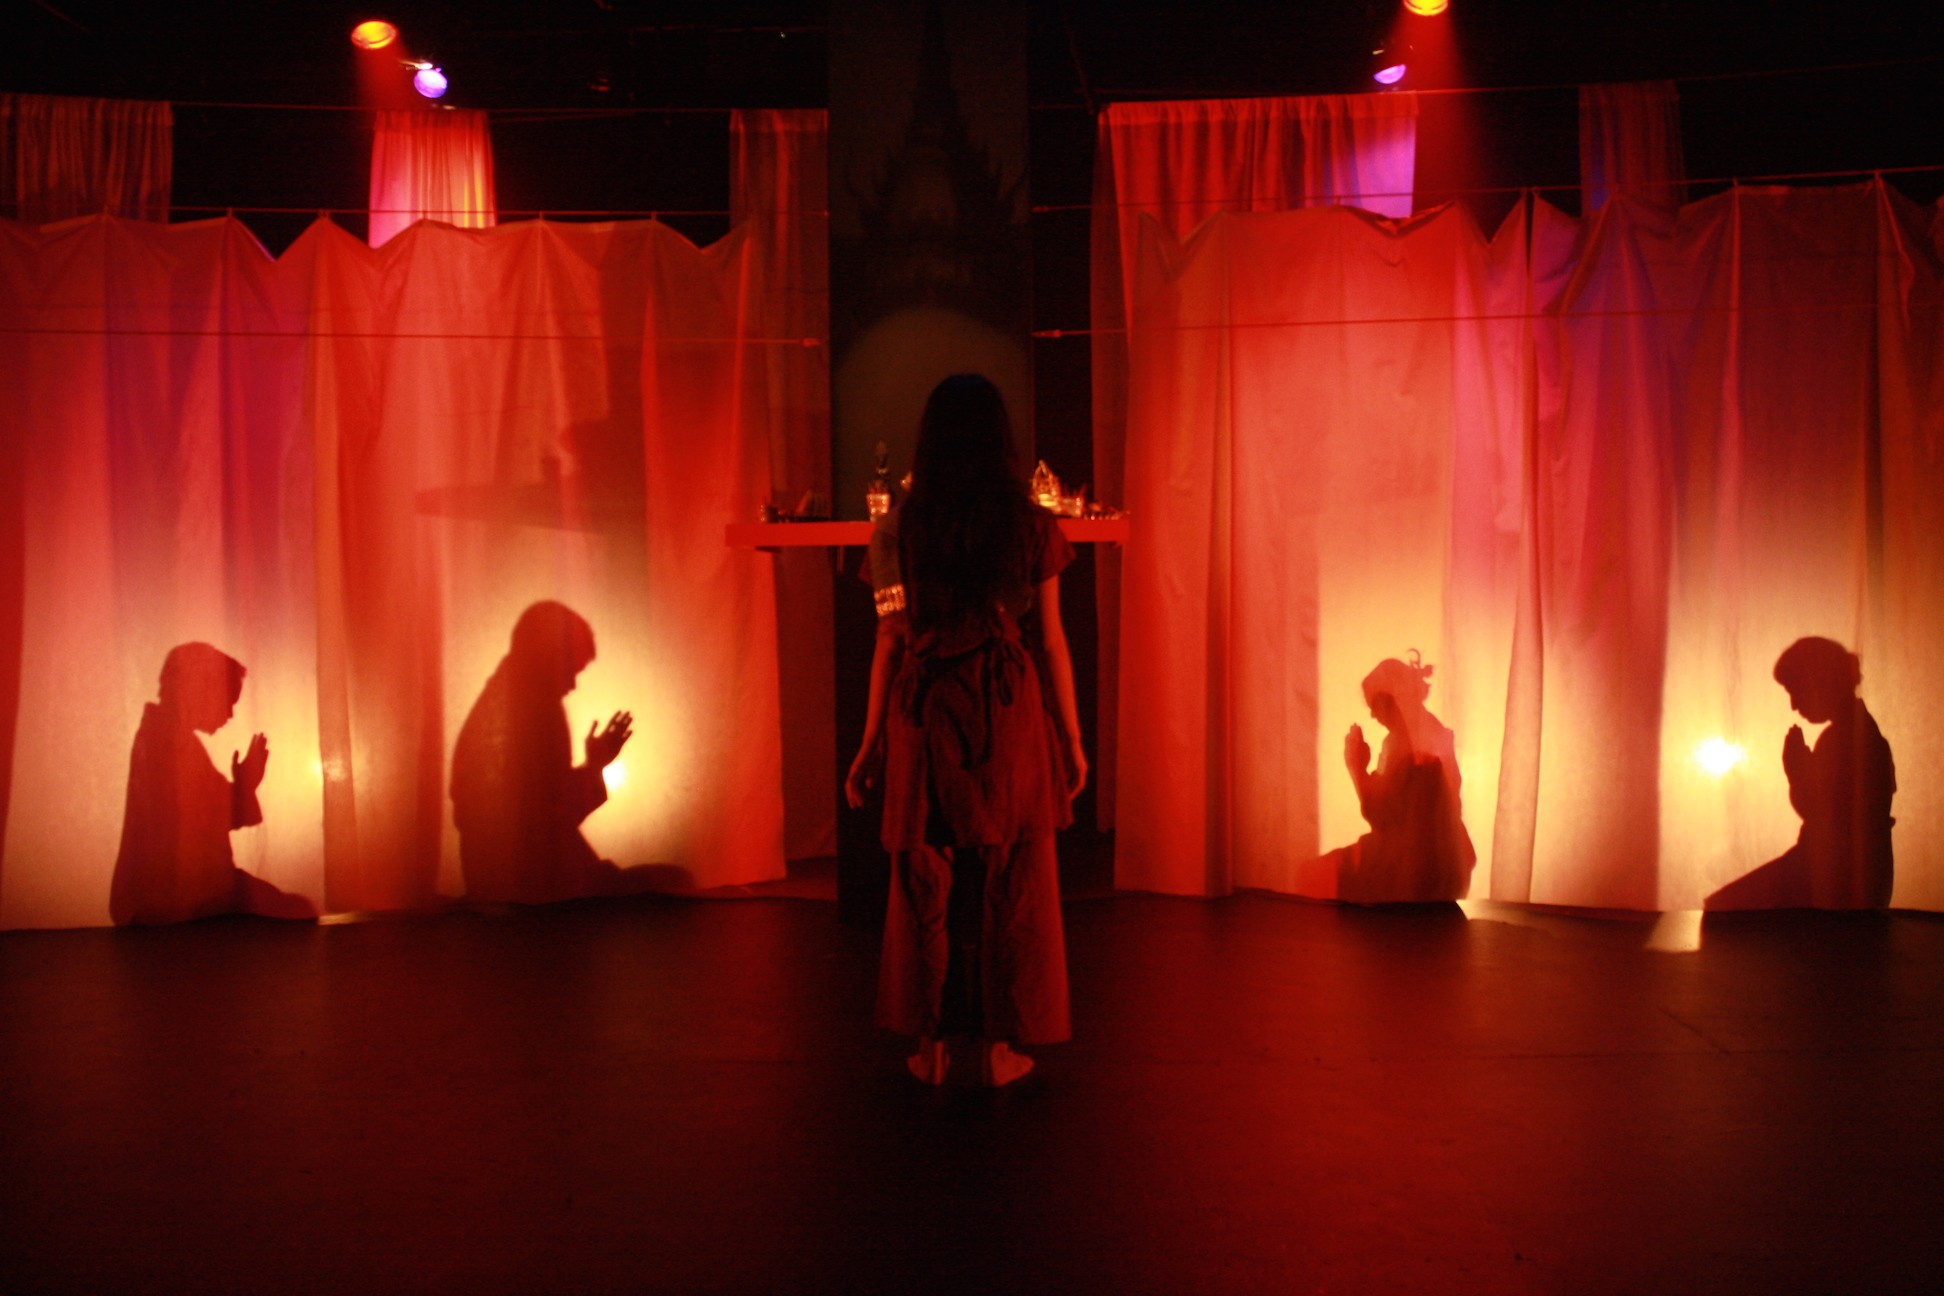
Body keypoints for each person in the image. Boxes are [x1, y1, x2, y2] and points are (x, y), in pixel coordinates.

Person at [846, 374, 1086, 1087]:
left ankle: (932, 1046)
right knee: (1019, 876)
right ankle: (1002, 1046)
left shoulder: (899, 526)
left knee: (921, 876)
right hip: (1004, 704)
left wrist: (869, 745)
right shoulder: (1031, 523)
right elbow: (1051, 639)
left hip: (925, 706)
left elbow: (889, 639)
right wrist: (1070, 738)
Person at [110, 643, 316, 925]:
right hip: (172, 897)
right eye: (227, 701)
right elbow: (198, 819)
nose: (230, 714)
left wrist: (245, 784)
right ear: (199, 689)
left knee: (295, 909)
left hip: (178, 892)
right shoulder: (165, 739)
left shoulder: (169, 736)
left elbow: (206, 812)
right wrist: (245, 785)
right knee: (296, 912)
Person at [451, 602, 636, 904]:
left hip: (525, 889)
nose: (573, 684)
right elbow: (544, 825)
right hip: (535, 896)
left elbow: (546, 810)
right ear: (547, 656)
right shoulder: (525, 715)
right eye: (571, 669)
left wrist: (594, 766)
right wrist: (593, 768)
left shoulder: (506, 706)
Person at [1706, 637, 1895, 910]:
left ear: (1819, 682)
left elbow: (1823, 817)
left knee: (1723, 909)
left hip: (1836, 877)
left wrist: (1796, 770)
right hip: (1859, 873)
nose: (1794, 705)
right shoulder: (1858, 731)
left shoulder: (1844, 738)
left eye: (1796, 691)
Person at [1322, 653, 1475, 904]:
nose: (1372, 714)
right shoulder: (1427, 732)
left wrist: (1356, 767)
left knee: (1318, 875)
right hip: (1443, 863)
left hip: (1414, 868)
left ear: (1392, 698)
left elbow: (1382, 815)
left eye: (1374, 704)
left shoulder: (1401, 744)